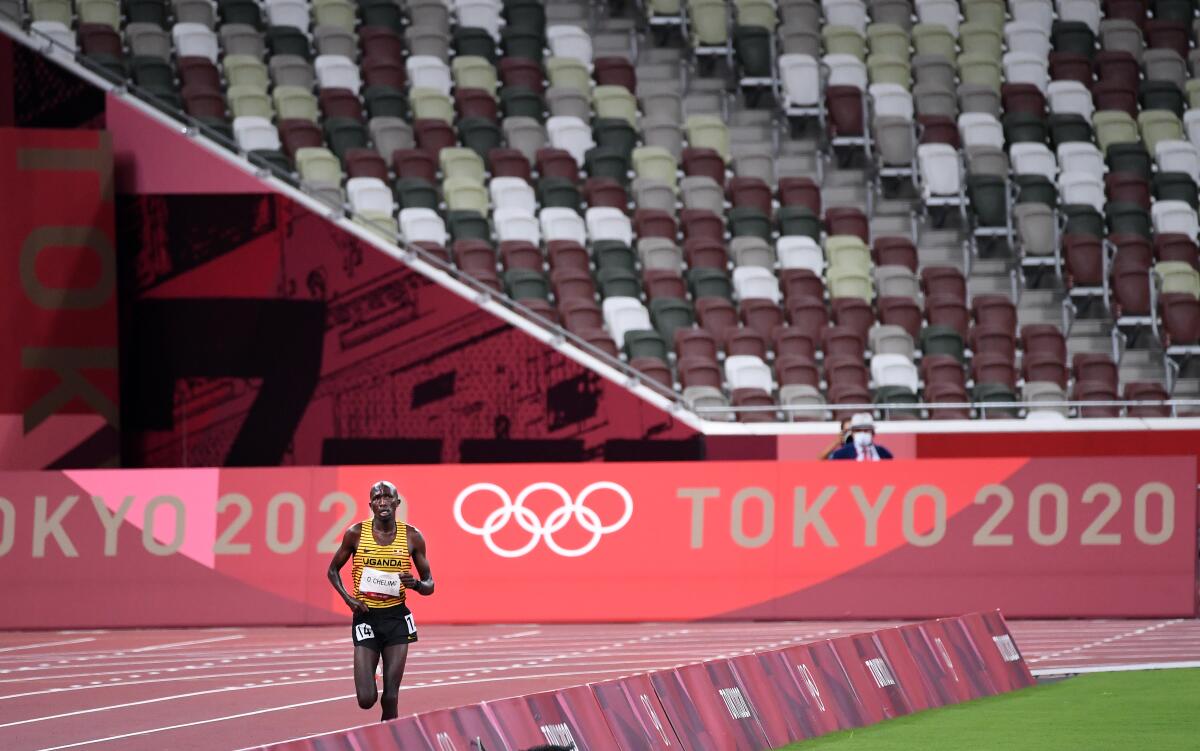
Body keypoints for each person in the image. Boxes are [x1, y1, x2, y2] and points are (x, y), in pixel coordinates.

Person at [327, 480, 434, 721]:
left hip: (397, 619)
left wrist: (416, 584)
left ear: (397, 503)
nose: (382, 501)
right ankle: (372, 670)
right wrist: (349, 600)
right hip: (366, 618)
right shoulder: (355, 534)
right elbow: (332, 571)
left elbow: (430, 585)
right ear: (370, 505)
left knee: (391, 697)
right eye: (377, 498)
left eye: (387, 497)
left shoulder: (412, 537)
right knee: (366, 700)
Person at [828, 413, 893, 460]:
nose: (862, 433)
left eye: (866, 430)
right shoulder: (843, 452)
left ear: (873, 433)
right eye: (858, 430)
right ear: (852, 433)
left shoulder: (882, 452)